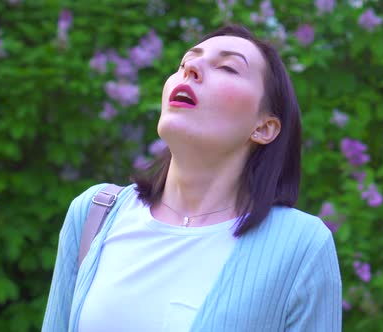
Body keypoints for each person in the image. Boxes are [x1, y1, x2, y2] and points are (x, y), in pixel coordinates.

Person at [42, 24, 342, 332]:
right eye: (185, 62)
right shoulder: (95, 213)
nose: (192, 69)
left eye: (227, 67)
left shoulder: (301, 245)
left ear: (264, 127)